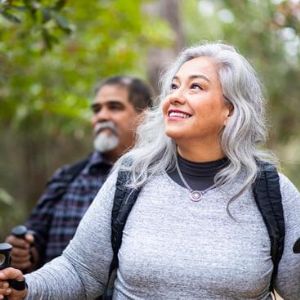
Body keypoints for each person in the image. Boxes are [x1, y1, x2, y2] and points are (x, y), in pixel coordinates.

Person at [1, 42, 300, 299]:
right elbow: (80, 272)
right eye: (174, 86)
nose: (175, 96)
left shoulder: (271, 190)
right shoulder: (132, 176)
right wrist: (25, 288)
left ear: (230, 110)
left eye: (195, 86)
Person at [4, 75, 153, 272]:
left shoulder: (160, 179)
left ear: (144, 116)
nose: (101, 116)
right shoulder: (67, 178)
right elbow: (36, 238)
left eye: (114, 107)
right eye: (96, 109)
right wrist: (23, 251)